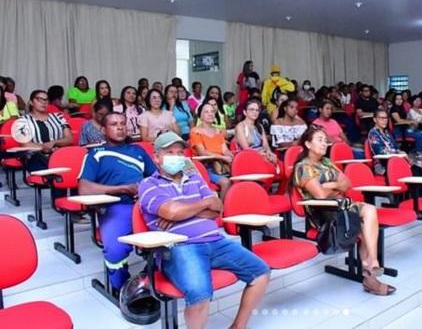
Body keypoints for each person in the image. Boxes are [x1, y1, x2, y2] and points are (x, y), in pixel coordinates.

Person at [138, 132, 269, 329]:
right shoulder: (149, 184)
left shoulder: (194, 178)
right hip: (181, 247)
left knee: (261, 272)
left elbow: (217, 207)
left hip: (216, 241)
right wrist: (198, 206)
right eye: (169, 152)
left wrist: (185, 210)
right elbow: (171, 211)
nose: (176, 157)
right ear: (156, 158)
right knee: (200, 294)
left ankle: (238, 326)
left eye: (180, 152)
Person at [292, 127, 395, 296]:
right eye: (319, 140)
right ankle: (371, 270)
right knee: (365, 217)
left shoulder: (326, 162)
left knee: (368, 212)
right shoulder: (303, 167)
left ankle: (370, 268)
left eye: (326, 140)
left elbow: (347, 183)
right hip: (323, 214)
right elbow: (319, 195)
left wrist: (329, 186)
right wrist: (334, 187)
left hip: (341, 206)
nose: (324, 143)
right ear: (308, 144)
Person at [78, 112, 157, 293]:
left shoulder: (138, 151)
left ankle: (149, 278)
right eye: (114, 124)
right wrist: (122, 189)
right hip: (115, 206)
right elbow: (84, 188)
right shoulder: (96, 154)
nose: (120, 127)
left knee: (173, 237)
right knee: (115, 250)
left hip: (143, 204)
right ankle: (122, 288)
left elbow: (155, 178)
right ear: (104, 130)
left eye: (123, 123)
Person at [20, 90, 74, 200]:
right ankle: (60, 204)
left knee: (74, 166)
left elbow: (69, 138)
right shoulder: (23, 120)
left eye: (46, 100)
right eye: (40, 99)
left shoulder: (58, 117)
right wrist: (45, 148)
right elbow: (25, 144)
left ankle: (74, 204)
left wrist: (54, 142)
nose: (44, 102)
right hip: (37, 157)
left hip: (58, 155)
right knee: (57, 169)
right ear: (31, 102)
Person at [189, 103, 233, 196]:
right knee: (226, 182)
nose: (210, 114)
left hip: (221, 165)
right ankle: (222, 208)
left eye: (212, 111)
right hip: (205, 165)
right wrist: (223, 157)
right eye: (206, 112)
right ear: (200, 116)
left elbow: (224, 149)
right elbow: (202, 153)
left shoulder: (218, 131)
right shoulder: (195, 131)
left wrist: (229, 154)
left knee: (239, 179)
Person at [234, 99, 278, 165]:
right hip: (247, 157)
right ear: (245, 112)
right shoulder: (240, 126)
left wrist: (269, 152)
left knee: (274, 159)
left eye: (257, 110)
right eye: (252, 109)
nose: (255, 112)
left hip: (262, 154)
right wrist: (259, 154)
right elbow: (246, 149)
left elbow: (265, 145)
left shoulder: (259, 126)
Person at [367, 109, 406, 175]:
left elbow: (396, 146)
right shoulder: (373, 133)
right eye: (381, 118)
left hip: (394, 162)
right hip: (382, 165)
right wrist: (398, 153)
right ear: (375, 119)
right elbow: (381, 152)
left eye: (386, 118)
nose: (385, 120)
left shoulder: (387, 133)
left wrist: (400, 152)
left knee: (415, 169)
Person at [390, 93, 422, 158]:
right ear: (394, 100)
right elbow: (399, 120)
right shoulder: (393, 109)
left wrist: (410, 119)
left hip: (406, 129)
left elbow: (406, 118)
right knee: (419, 135)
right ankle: (418, 153)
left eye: (400, 99)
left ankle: (421, 151)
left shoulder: (402, 108)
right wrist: (411, 121)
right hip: (399, 131)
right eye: (397, 99)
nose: (399, 101)